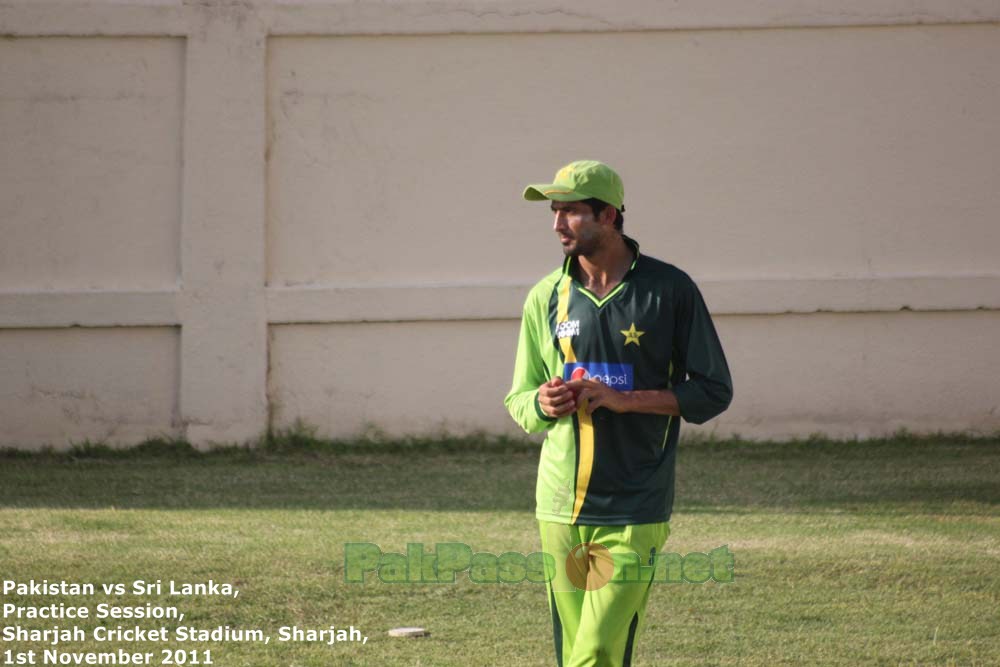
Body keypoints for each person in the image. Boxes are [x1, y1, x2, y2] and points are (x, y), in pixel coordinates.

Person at [504, 160, 733, 666]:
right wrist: (541, 404)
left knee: (600, 648)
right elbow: (518, 399)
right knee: (573, 654)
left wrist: (627, 400)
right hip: (560, 504)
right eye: (554, 211)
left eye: (571, 212)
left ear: (608, 215)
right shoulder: (545, 297)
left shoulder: (669, 290)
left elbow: (714, 390)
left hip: (634, 505)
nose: (558, 224)